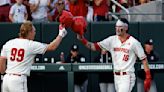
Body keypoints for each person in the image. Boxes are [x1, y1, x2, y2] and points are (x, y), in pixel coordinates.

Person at [77, 18, 152, 92]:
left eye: (120, 27)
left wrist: (148, 76)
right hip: (116, 76)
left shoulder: (134, 42)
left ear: (126, 28)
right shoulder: (112, 40)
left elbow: (144, 59)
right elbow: (94, 46)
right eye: (116, 26)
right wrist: (83, 40)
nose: (117, 29)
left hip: (127, 76)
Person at [0, 21, 67, 92]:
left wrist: (4, 73)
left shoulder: (9, 43)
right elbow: (52, 47)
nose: (35, 33)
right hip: (18, 80)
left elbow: (1, 61)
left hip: (6, 79)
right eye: (34, 31)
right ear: (29, 32)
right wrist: (61, 34)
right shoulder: (30, 45)